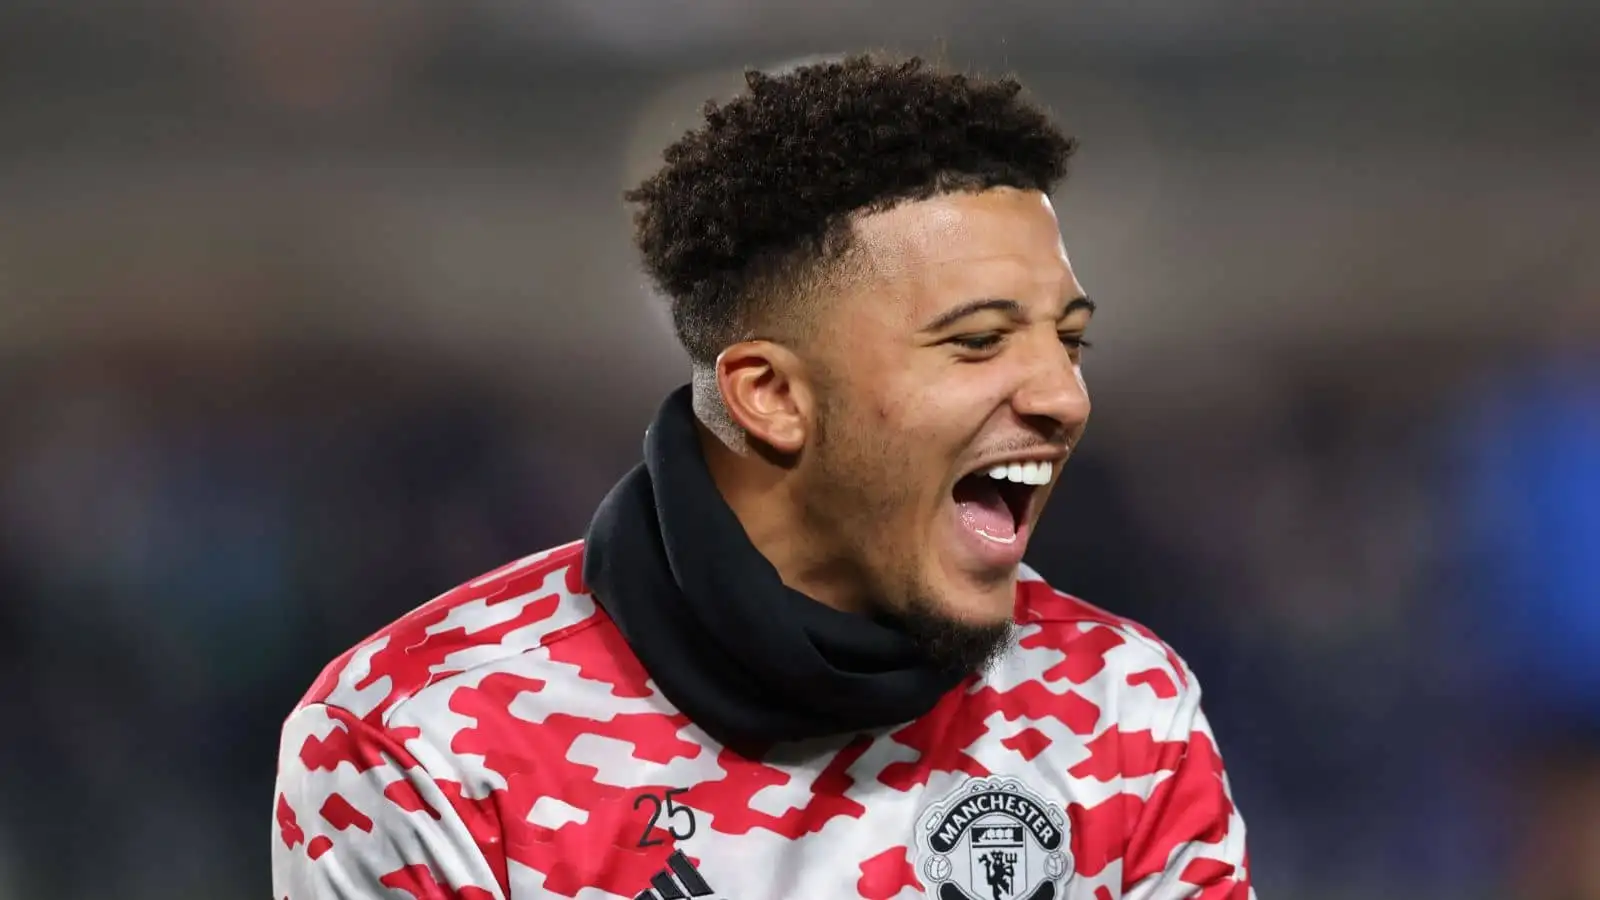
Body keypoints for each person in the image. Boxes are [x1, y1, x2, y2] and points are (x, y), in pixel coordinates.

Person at [272, 54, 1253, 900]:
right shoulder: (413, 739)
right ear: (771, 396)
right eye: (978, 341)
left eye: (1067, 341)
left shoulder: (1117, 703)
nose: (1063, 396)